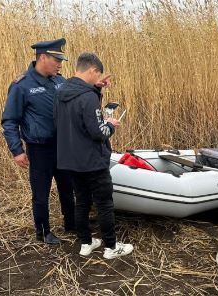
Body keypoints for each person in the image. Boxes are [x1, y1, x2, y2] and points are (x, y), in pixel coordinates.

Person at [54, 52, 133, 258]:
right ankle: (111, 247)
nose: (98, 78)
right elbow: (98, 132)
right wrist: (110, 125)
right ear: (92, 70)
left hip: (70, 160)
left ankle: (86, 243)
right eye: (97, 75)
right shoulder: (87, 97)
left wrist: (96, 90)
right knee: (104, 203)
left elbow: (70, 121)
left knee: (81, 201)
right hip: (92, 160)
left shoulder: (61, 91)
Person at [1, 38, 75, 244]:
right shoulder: (21, 85)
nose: (60, 64)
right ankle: (43, 232)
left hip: (63, 147)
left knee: (68, 188)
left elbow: (77, 103)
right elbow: (9, 121)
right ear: (42, 57)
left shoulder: (60, 81)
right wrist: (17, 150)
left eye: (61, 60)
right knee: (41, 193)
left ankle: (71, 223)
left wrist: (95, 88)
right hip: (40, 149)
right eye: (56, 60)